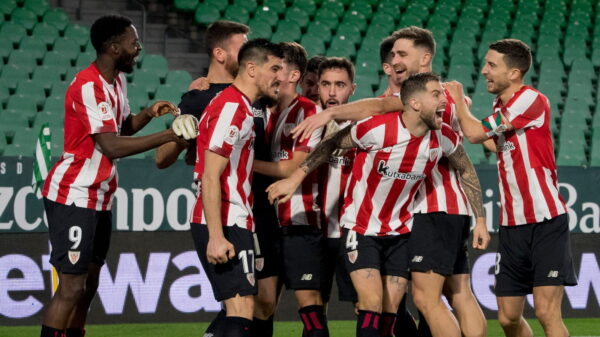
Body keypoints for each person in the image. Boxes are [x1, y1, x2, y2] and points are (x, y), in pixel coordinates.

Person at [267, 72, 486, 337]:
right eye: (436, 94)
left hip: (401, 233)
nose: (444, 100)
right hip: (361, 228)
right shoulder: (377, 129)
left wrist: (481, 220)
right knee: (371, 303)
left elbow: (466, 169)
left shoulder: (444, 138)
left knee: (390, 310)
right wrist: (294, 179)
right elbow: (333, 143)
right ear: (415, 103)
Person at [39, 15, 197, 337]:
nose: (137, 48)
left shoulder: (116, 81)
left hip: (99, 197)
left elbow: (122, 128)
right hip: (75, 193)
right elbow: (110, 146)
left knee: (90, 283)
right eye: (132, 42)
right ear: (113, 47)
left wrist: (150, 113)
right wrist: (169, 137)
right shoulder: (87, 85)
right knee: (71, 287)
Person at [446, 38, 577, 337]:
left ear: (514, 73)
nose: (484, 71)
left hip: (545, 220)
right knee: (507, 317)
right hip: (513, 225)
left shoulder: (531, 99)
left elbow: (478, 133)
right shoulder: (501, 105)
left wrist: (457, 101)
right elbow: (496, 143)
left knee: (546, 313)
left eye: (492, 65)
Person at [189, 38, 283, 337]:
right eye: (274, 68)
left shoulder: (240, 106)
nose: (279, 76)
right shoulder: (231, 108)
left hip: (235, 218)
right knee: (241, 309)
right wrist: (216, 236)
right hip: (224, 219)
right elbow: (209, 175)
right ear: (252, 68)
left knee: (243, 308)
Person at [252, 42, 329, 337]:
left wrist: (242, 162)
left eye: (275, 67)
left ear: (293, 74)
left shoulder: (309, 111)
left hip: (300, 220)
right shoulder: (259, 108)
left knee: (309, 307)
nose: (268, 73)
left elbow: (289, 169)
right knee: (263, 304)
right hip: (264, 222)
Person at [155, 20, 249, 168]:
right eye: (244, 50)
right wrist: (182, 133)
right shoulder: (197, 99)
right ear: (219, 54)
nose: (250, 56)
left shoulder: (256, 93)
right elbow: (161, 159)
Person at [313, 57, 358, 310]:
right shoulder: (305, 124)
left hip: (351, 232)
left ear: (353, 89)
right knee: (313, 305)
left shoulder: (364, 128)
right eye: (325, 84)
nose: (332, 92)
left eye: (340, 84)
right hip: (313, 231)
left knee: (364, 304)